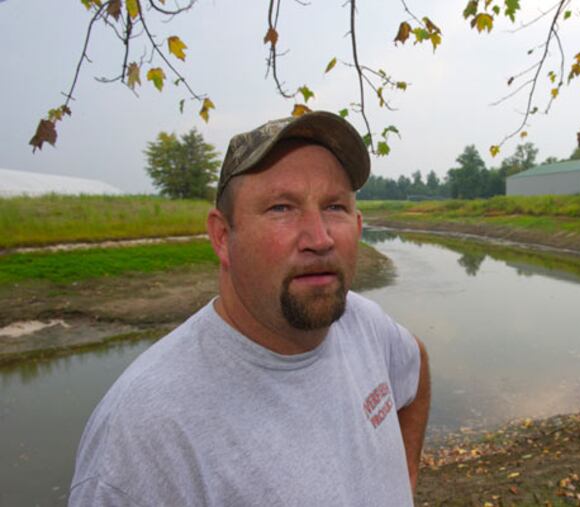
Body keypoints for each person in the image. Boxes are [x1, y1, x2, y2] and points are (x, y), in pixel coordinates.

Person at [68, 111, 430, 506]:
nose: (319, 238)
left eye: (334, 207)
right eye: (281, 208)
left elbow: (416, 368)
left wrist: (404, 481)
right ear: (222, 236)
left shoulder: (366, 324)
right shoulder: (144, 434)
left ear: (359, 226)